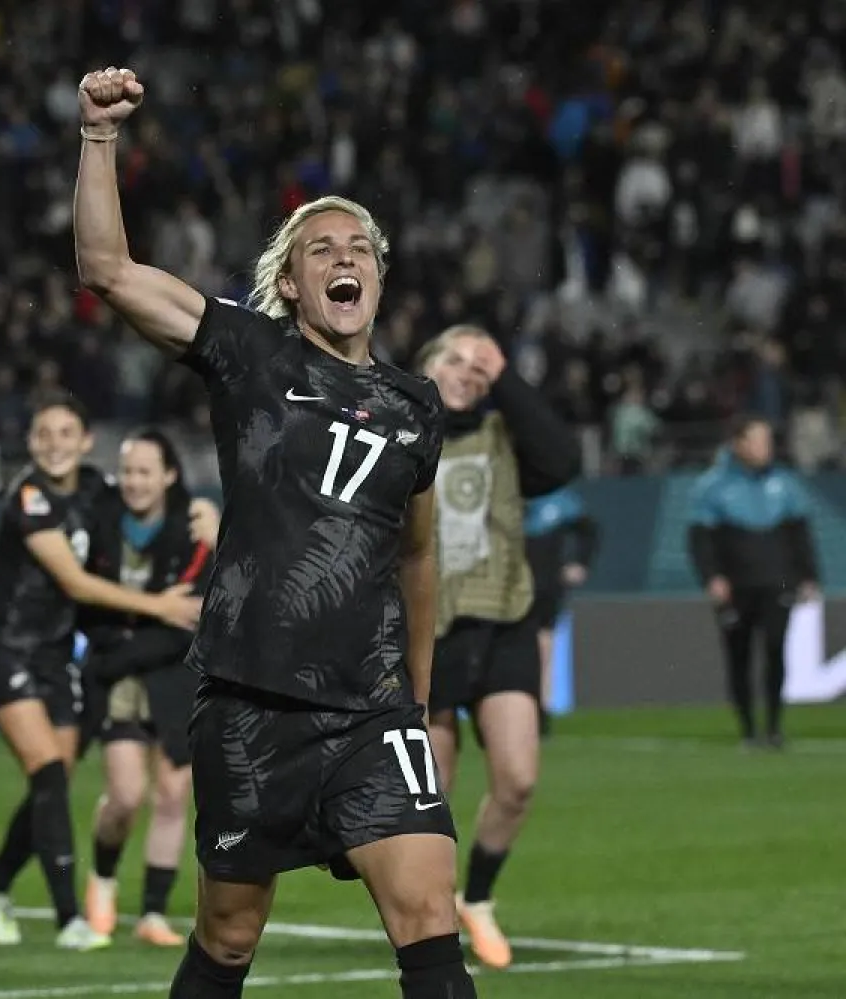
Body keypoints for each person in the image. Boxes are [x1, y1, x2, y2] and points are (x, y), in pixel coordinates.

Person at [75, 68, 476, 998]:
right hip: (251, 699)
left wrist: (414, 695)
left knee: (428, 915)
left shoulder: (416, 408)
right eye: (321, 247)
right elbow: (107, 271)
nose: (346, 257)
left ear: (376, 274)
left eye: (361, 247)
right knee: (228, 932)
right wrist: (99, 136)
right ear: (292, 283)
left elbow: (416, 553)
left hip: (372, 708)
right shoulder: (250, 353)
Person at [0, 394, 200, 953]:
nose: (54, 444)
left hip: (53, 657)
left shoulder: (97, 490)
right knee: (49, 773)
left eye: (65, 433)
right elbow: (74, 583)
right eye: (44, 434)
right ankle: (69, 917)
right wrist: (160, 608)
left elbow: (155, 504)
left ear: (84, 440)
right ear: (29, 442)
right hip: (4, 650)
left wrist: (206, 517)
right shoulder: (28, 497)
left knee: (55, 782)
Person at [415, 326, 579, 969]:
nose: (466, 372)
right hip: (426, 633)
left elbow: (563, 462)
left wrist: (504, 377)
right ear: (425, 366)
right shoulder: (399, 437)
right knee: (432, 794)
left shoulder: (506, 436)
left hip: (504, 618)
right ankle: (428, 915)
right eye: (453, 359)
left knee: (517, 780)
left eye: (478, 366)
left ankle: (475, 899)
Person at [80, 429, 217, 948]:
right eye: (128, 471)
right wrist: (158, 613)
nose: (134, 482)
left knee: (173, 792)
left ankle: (153, 914)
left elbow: (204, 608)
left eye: (145, 471)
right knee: (124, 797)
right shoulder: (100, 522)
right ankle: (103, 878)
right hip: (118, 673)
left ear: (169, 475)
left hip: (175, 671)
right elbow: (92, 605)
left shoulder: (195, 524)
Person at [687, 415, 821, 748]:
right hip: (736, 585)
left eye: (768, 441)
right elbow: (700, 539)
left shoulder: (785, 484)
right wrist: (712, 577)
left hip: (777, 581)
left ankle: (774, 726)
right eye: (758, 440)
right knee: (739, 655)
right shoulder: (712, 486)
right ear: (739, 444)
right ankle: (748, 728)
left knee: (776, 649)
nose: (766, 448)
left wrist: (808, 576)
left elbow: (799, 533)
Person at [522, 483, 599, 733]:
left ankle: (539, 710)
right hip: (507, 589)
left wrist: (579, 563)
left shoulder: (559, 500)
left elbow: (589, 531)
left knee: (543, 646)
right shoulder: (504, 493)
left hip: (545, 586)